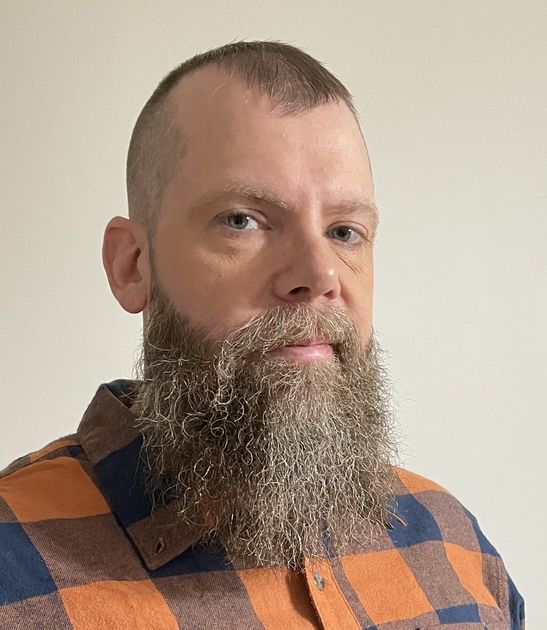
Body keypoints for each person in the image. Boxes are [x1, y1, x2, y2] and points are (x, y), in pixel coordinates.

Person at [0, 40, 524, 629]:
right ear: (132, 265)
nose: (319, 275)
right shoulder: (12, 572)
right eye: (242, 220)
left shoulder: (457, 552)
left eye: (345, 231)